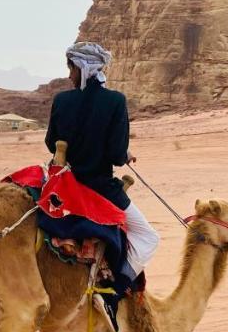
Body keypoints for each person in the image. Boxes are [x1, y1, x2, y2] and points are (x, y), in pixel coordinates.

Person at [46, 42, 159, 283]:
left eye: (71, 69)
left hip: (63, 184)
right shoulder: (115, 101)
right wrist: (123, 154)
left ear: (82, 67)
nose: (69, 75)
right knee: (149, 238)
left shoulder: (61, 100)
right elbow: (116, 154)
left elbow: (51, 142)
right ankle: (118, 287)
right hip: (99, 187)